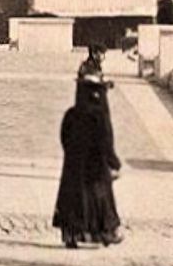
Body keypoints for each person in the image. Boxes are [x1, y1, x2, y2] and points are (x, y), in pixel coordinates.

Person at [53, 80, 123, 248]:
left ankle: (71, 235)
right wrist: (114, 163)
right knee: (101, 199)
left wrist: (72, 154)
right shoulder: (99, 116)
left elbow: (64, 137)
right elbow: (106, 143)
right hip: (96, 167)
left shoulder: (71, 114)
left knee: (73, 199)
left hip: (73, 166)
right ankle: (105, 233)